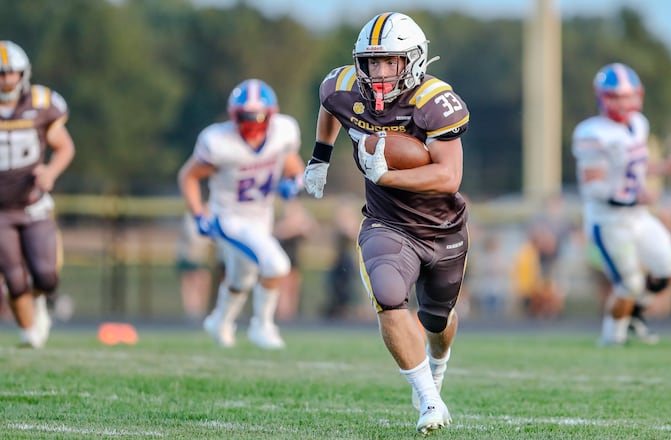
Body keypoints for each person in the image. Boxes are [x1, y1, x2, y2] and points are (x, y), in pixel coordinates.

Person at [302, 12, 469, 434]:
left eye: (389, 61)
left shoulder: (434, 99)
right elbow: (329, 107)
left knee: (437, 320)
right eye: (371, 62)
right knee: (389, 295)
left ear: (412, 60)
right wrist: (320, 157)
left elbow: (449, 178)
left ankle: (437, 372)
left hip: (441, 227)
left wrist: (387, 175)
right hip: (386, 223)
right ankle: (429, 402)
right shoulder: (342, 86)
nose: (378, 71)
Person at [178, 78, 304, 350]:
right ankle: (263, 325)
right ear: (233, 116)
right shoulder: (218, 141)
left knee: (241, 278)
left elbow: (295, 167)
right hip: (229, 218)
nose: (253, 125)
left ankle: (219, 321)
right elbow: (188, 177)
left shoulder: (283, 132)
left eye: (259, 118)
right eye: (246, 118)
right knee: (277, 265)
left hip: (261, 217)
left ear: (272, 116)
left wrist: (293, 183)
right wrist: (199, 215)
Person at [572, 62, 671, 347]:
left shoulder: (639, 124)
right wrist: (634, 196)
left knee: (669, 268)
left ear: (638, 95)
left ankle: (634, 313)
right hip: (608, 219)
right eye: (616, 97)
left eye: (628, 95)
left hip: (638, 215)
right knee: (629, 283)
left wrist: (663, 168)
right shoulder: (592, 133)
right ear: (602, 97)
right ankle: (612, 339)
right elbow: (594, 186)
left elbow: (636, 168)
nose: (623, 103)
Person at [0, 40, 75, 348]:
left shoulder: (42, 103)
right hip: (0, 211)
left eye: (11, 73)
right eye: (0, 74)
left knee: (46, 277)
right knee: (15, 278)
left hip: (33, 204)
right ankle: (30, 334)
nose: (6, 80)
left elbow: (64, 146)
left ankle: (40, 305)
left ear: (23, 74)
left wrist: (51, 172)